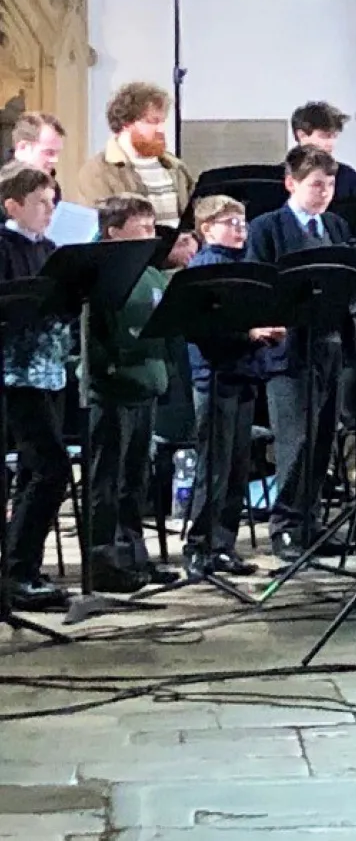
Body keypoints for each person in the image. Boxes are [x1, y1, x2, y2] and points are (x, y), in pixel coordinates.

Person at [245, 146, 354, 559]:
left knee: (324, 439)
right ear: (291, 183)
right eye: (315, 185)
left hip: (329, 347)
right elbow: (260, 283)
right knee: (297, 442)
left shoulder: (337, 227)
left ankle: (311, 522)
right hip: (289, 353)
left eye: (329, 185)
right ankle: (286, 526)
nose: (324, 193)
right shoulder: (267, 227)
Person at [183, 195, 281, 578]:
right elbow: (206, 328)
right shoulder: (206, 268)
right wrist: (249, 333)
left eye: (243, 222)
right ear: (207, 229)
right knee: (215, 467)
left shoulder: (243, 265)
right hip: (216, 379)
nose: (241, 229)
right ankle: (200, 545)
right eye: (231, 222)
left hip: (242, 376)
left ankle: (223, 545)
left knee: (239, 466)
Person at [85, 196, 175, 592]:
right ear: (114, 232)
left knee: (136, 478)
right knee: (108, 478)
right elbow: (96, 336)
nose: (150, 237)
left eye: (152, 228)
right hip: (114, 389)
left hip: (146, 385)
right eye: (141, 229)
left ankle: (134, 554)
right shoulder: (101, 272)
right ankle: (104, 560)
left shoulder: (150, 272)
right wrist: (109, 370)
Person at [0, 162, 72, 611]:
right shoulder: (5, 248)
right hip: (15, 374)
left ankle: (22, 568)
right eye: (41, 203)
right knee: (51, 466)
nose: (49, 211)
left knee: (36, 469)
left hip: (49, 371)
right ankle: (17, 571)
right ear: (13, 205)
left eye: (52, 202)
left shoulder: (50, 249)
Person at [76, 81, 194, 223]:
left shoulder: (176, 167)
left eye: (162, 122)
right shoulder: (99, 171)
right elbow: (100, 226)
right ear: (126, 122)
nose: (161, 130)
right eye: (152, 122)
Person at [291, 101, 356, 201]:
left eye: (334, 136)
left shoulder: (348, 177)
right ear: (301, 135)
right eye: (324, 136)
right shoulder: (279, 176)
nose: (331, 143)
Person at [10, 112, 65, 183]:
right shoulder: (5, 190)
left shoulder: (50, 187)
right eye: (49, 152)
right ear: (22, 148)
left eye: (57, 153)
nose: (55, 160)